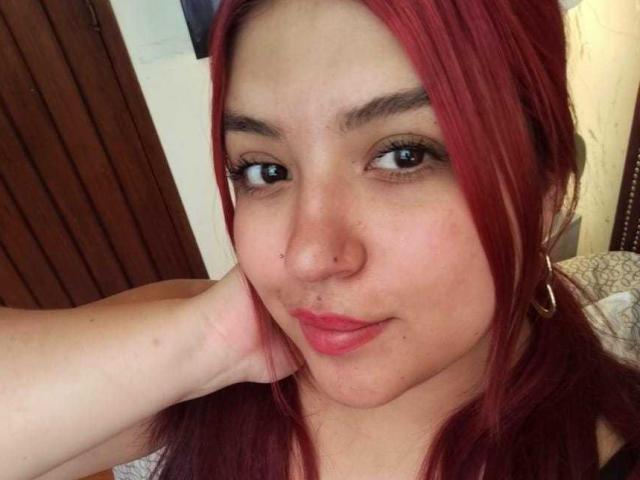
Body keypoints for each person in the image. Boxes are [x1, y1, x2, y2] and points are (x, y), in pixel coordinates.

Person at [2, 0, 639, 479]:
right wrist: (212, 346)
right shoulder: (205, 355)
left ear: (545, 193)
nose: (307, 257)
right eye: (265, 170)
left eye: (404, 156)